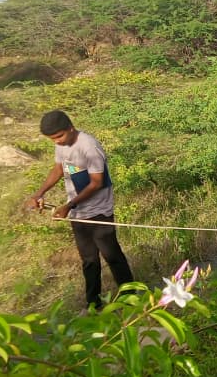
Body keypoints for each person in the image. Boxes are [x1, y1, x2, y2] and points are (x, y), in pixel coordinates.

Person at [25, 110, 135, 309]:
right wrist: (39, 193)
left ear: (70, 128)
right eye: (52, 139)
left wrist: (69, 205)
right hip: (78, 212)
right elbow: (59, 168)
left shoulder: (89, 147)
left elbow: (96, 182)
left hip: (99, 211)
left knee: (112, 256)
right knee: (89, 260)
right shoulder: (61, 145)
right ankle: (93, 304)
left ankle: (132, 298)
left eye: (59, 136)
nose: (56, 142)